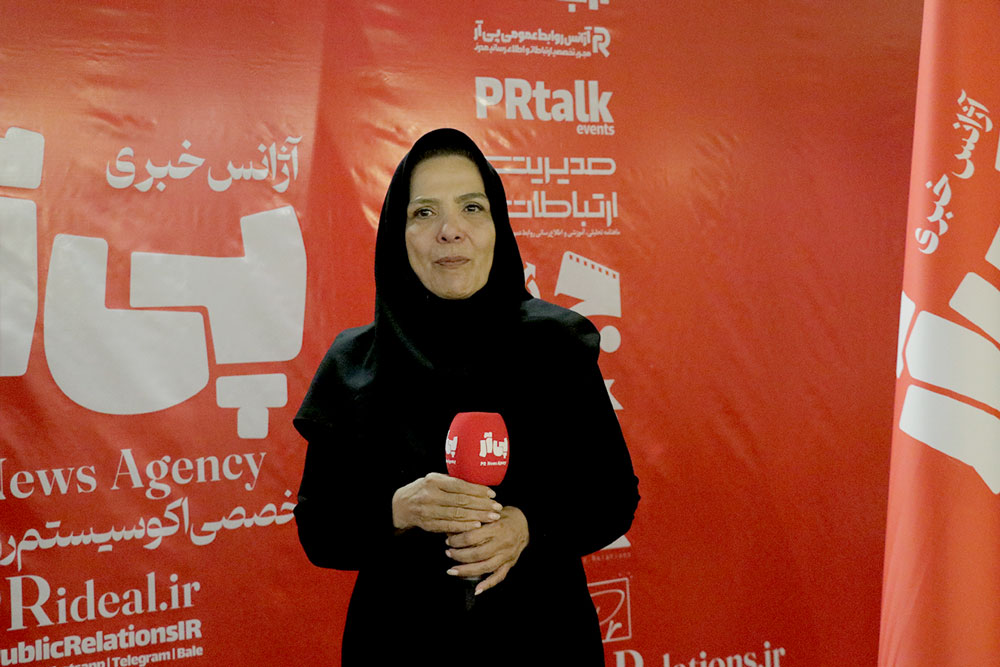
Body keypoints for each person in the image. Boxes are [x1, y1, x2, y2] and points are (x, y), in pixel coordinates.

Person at [293, 128, 639, 665]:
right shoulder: (353, 364)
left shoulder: (557, 345)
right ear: (397, 234)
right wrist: (398, 510)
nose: (450, 231)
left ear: (497, 225)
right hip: (399, 647)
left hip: (544, 640)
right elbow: (321, 532)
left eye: (472, 208)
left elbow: (612, 497)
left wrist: (527, 526)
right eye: (424, 213)